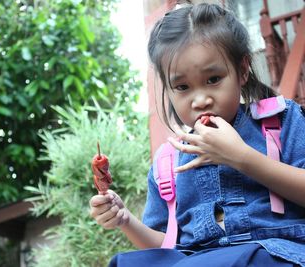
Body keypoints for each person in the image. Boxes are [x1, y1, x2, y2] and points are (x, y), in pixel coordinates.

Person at [89, 3, 305, 267]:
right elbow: (168, 245)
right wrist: (125, 220)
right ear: (168, 90)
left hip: (274, 253)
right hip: (196, 260)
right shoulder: (168, 160)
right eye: (182, 86)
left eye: (213, 79)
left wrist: (242, 158)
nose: (200, 99)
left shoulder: (281, 122)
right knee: (124, 263)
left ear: (243, 69)